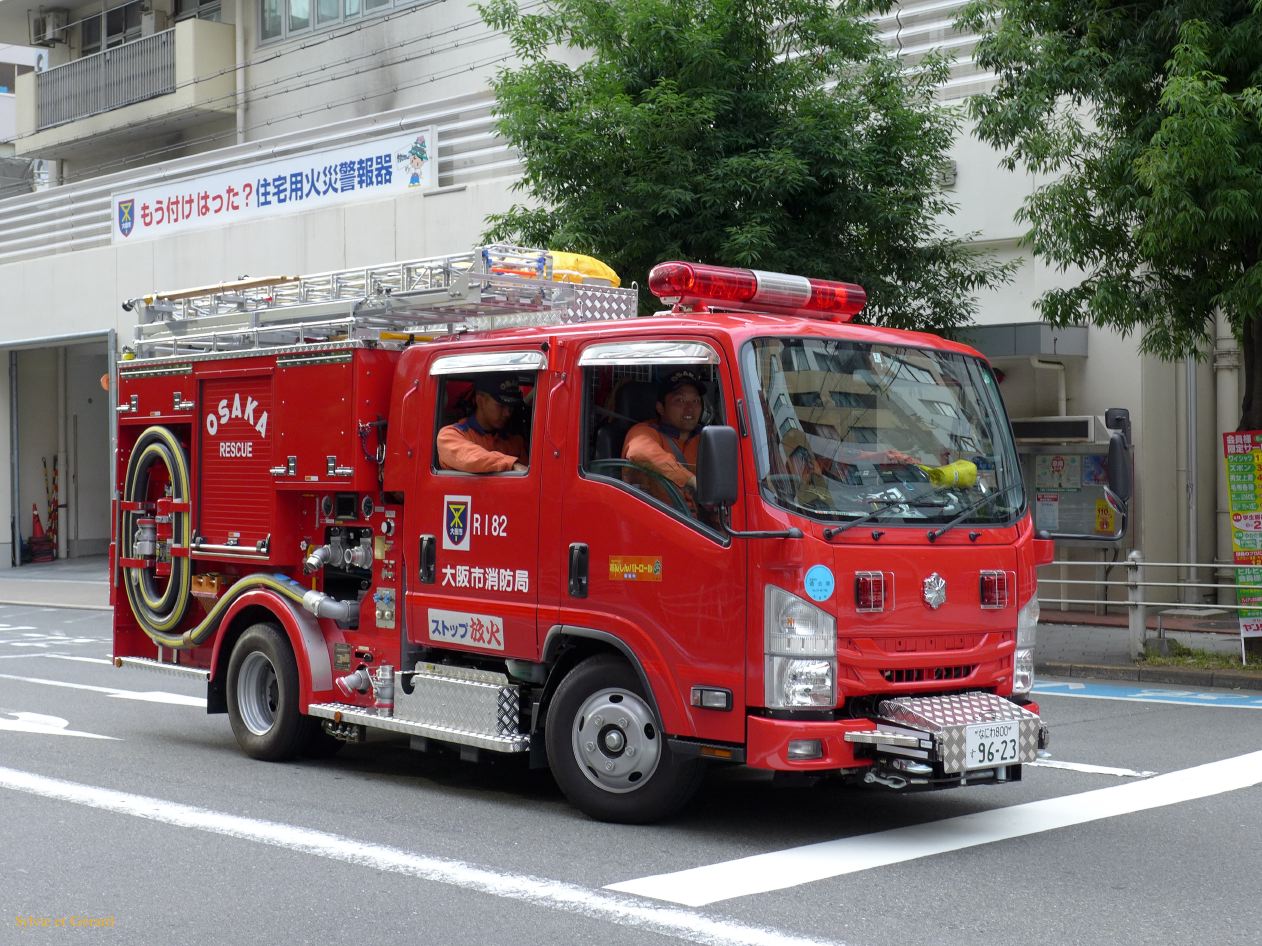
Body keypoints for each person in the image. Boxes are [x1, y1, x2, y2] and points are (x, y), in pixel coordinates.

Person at [622, 368, 706, 511]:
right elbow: (640, 453)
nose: (690, 408)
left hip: (700, 526)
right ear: (660, 407)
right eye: (680, 400)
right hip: (660, 522)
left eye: (695, 401)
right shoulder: (645, 431)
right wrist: (691, 481)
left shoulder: (706, 437)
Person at [436, 376, 528, 473]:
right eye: (501, 405)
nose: (508, 413)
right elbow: (471, 459)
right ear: (480, 400)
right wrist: (512, 464)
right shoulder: (450, 436)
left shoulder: (515, 442)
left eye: (511, 407)